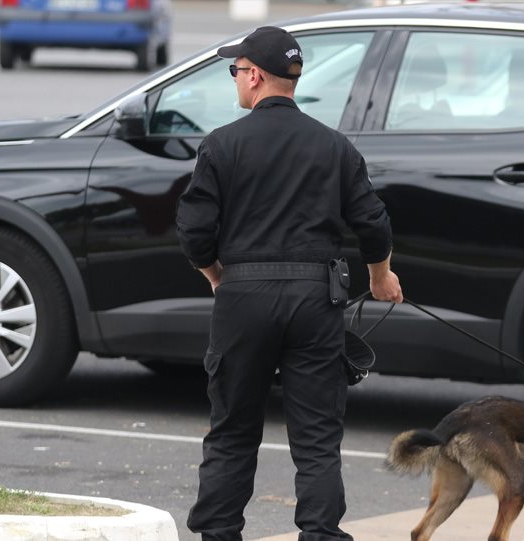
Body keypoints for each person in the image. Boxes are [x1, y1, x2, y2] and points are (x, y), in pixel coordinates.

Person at [176, 26, 403, 541]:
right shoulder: (334, 146)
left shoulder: (222, 145)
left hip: (243, 296)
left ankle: (218, 534)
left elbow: (193, 230)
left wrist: (217, 276)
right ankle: (320, 534)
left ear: (255, 76)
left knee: (232, 431)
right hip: (315, 300)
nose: (235, 78)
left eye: (236, 70)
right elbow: (373, 222)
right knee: (318, 438)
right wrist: (381, 276)